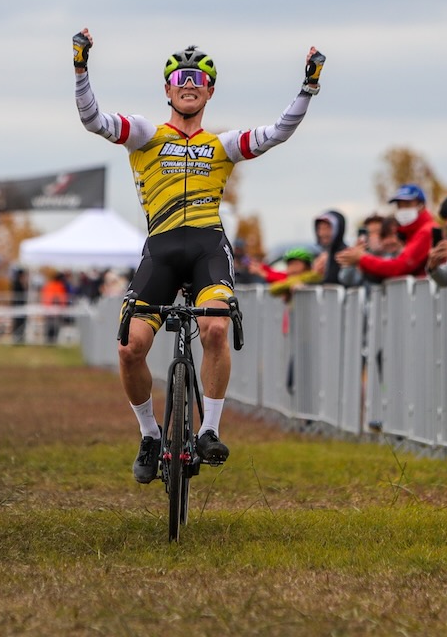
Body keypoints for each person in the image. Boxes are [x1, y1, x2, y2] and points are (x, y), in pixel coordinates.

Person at [73, 27, 322, 483]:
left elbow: (278, 133)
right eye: (180, 78)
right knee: (131, 349)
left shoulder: (221, 145)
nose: (189, 84)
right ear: (167, 89)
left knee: (214, 328)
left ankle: (208, 429)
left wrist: (307, 88)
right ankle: (150, 434)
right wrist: (80, 68)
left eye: (198, 78)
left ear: (210, 90)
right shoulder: (146, 134)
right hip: (161, 253)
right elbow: (94, 120)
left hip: (208, 248)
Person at [334, 184, 434, 281]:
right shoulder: (412, 232)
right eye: (400, 205)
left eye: (407, 204)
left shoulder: (426, 231)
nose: (403, 209)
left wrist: (362, 259)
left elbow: (400, 266)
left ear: (422, 206)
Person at [312, 209, 350, 286]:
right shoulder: (322, 254)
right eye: (320, 228)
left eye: (327, 228)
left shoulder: (344, 254)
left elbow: (333, 281)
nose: (322, 233)